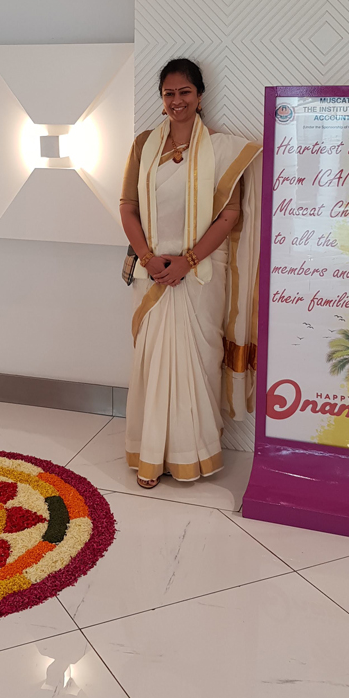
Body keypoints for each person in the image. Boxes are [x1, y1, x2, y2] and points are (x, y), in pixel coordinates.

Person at [119, 58, 262, 487]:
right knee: (153, 363)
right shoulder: (143, 145)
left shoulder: (223, 150)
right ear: (161, 98)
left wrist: (188, 261)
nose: (176, 100)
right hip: (152, 273)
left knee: (197, 363)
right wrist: (148, 257)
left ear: (199, 97)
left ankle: (192, 453)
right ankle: (150, 455)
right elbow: (128, 206)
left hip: (200, 276)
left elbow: (229, 215)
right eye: (169, 93)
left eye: (185, 92)